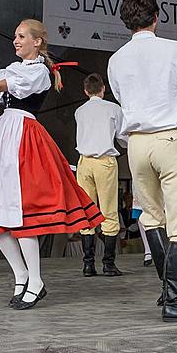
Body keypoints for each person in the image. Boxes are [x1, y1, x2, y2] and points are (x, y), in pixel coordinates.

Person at [0, 19, 102, 309]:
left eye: (21, 36)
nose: (15, 41)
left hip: (23, 135)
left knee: (22, 211)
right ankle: (20, 275)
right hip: (5, 134)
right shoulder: (15, 70)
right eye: (15, 36)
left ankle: (36, 280)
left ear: (37, 41)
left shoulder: (39, 71)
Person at [107, 0, 177, 322]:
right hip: (169, 138)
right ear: (157, 17)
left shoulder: (116, 60)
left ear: (126, 22)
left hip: (137, 144)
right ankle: (175, 301)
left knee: (151, 217)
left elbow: (123, 100)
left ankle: (166, 292)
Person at [74, 73, 127, 277]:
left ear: (86, 91)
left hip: (84, 162)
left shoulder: (79, 111)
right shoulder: (114, 109)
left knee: (87, 211)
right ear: (103, 89)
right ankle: (108, 264)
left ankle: (88, 264)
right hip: (105, 161)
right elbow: (122, 137)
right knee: (109, 212)